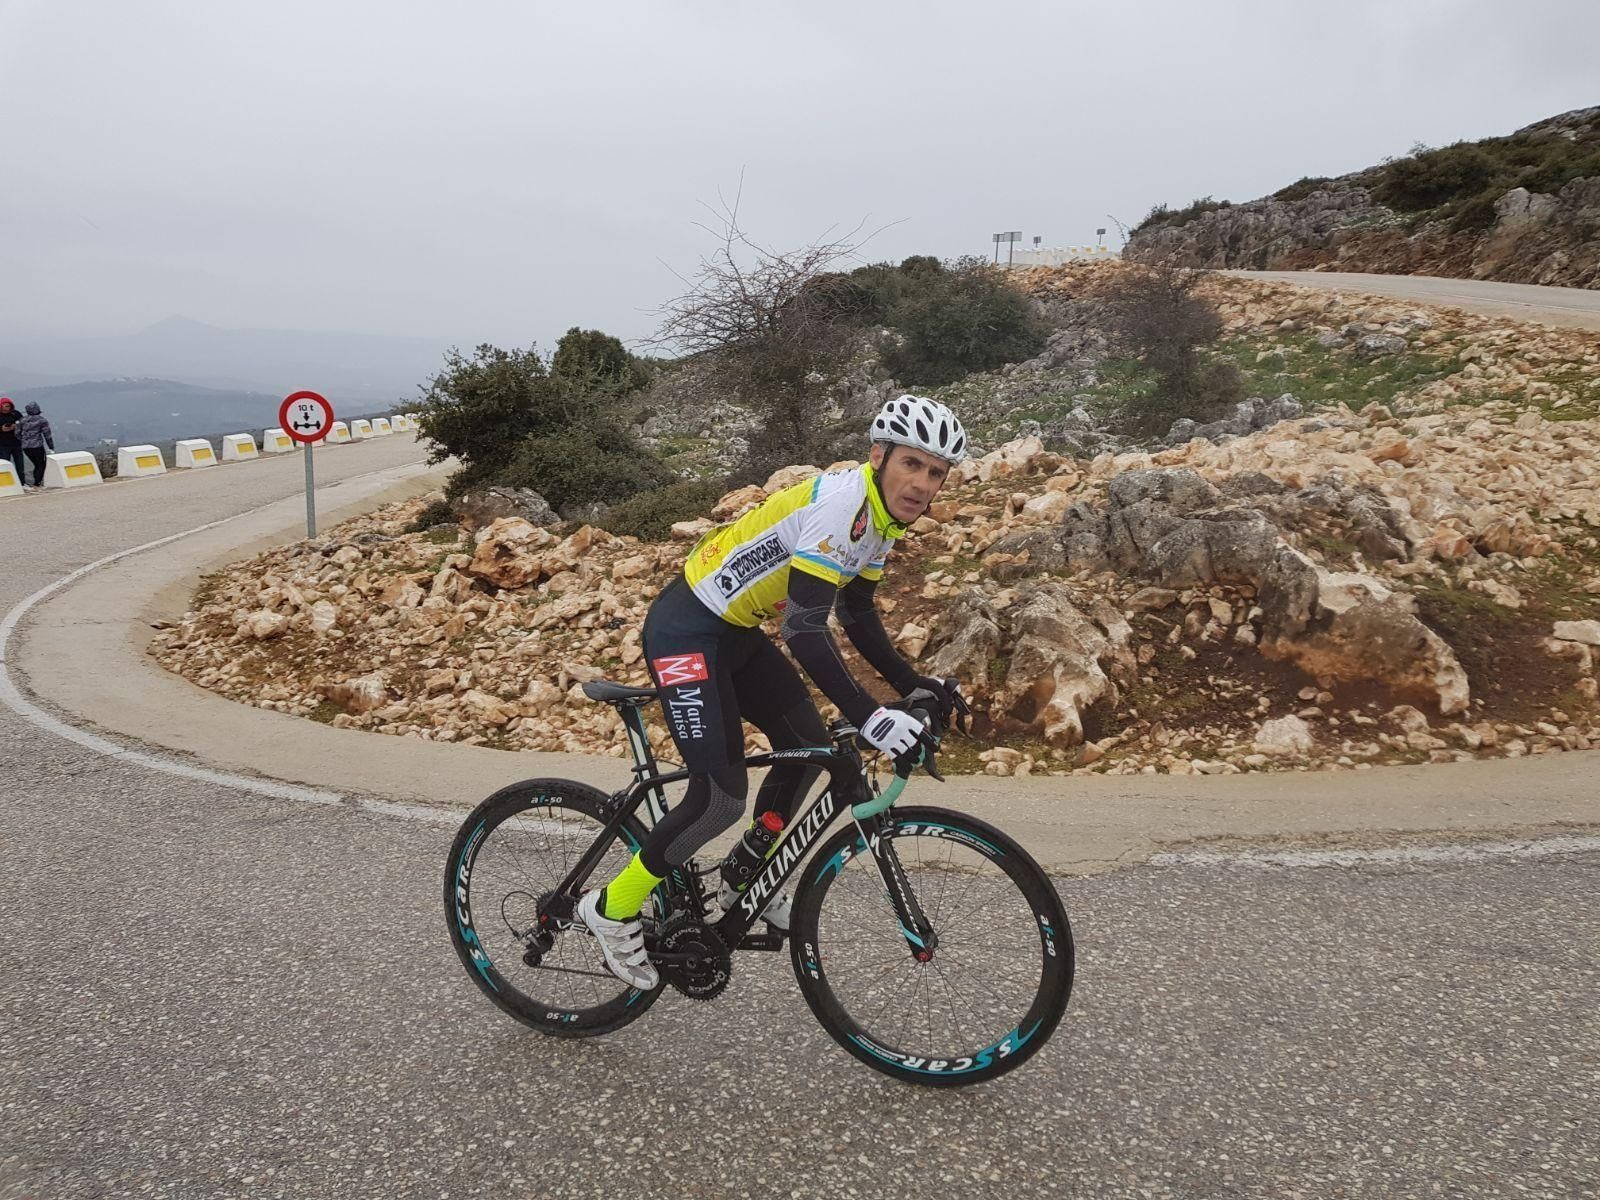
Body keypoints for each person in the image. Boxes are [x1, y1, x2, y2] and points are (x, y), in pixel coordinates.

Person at [575, 394, 970, 990]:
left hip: (733, 632)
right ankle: (611, 908)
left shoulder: (881, 520)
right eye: (912, 463)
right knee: (718, 800)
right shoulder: (844, 503)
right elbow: (805, 630)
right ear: (879, 455)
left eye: (936, 472)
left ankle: (744, 871)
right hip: (687, 627)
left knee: (806, 742)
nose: (922, 483)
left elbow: (858, 614)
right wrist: (869, 715)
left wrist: (919, 685)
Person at [17, 402, 53, 488]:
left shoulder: (22, 420)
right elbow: (47, 435)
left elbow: (17, 433)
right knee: (40, 464)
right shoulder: (42, 420)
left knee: (36, 464)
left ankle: (36, 482)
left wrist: (23, 440)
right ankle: (37, 483)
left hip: (26, 447)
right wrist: (51, 446)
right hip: (37, 446)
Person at [0, 398, 23, 486]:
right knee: (5, 464)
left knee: (20, 465)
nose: (7, 408)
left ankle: (22, 482)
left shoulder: (15, 414)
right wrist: (1, 429)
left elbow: (23, 422)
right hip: (3, 445)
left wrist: (16, 426)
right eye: (5, 406)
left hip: (16, 442)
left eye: (9, 406)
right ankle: (6, 483)